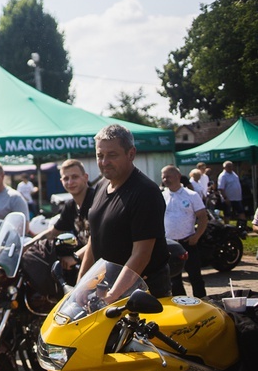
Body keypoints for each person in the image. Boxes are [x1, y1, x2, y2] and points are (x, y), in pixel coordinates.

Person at [78, 124, 171, 299]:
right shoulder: (101, 187)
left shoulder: (145, 192)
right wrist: (81, 284)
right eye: (100, 156)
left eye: (112, 155)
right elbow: (94, 239)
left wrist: (113, 295)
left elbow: (141, 254)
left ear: (131, 154)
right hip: (109, 290)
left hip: (143, 295)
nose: (104, 162)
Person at [23, 159, 95, 271]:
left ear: (85, 177)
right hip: (85, 262)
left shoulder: (96, 201)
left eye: (75, 177)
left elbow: (100, 238)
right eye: (66, 178)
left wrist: (75, 257)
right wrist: (25, 247)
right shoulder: (71, 206)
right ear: (61, 181)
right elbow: (53, 232)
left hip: (103, 263)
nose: (70, 182)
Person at [161, 165, 208, 298]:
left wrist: (197, 236)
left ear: (178, 177)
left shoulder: (191, 195)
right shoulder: (161, 196)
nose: (165, 179)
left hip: (188, 242)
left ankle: (203, 303)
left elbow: (203, 217)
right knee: (174, 280)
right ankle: (182, 306)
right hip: (169, 245)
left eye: (168, 176)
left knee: (195, 277)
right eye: (163, 177)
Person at [218, 160, 247, 230]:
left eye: (231, 166)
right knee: (227, 214)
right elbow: (221, 188)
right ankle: (227, 228)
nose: (230, 168)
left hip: (237, 198)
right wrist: (225, 198)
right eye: (228, 166)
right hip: (229, 198)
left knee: (241, 212)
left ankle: (242, 227)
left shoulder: (234, 174)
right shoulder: (223, 176)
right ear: (224, 167)